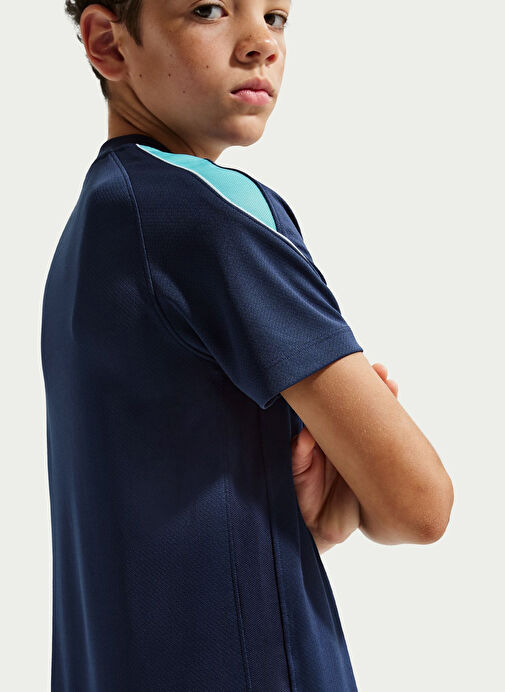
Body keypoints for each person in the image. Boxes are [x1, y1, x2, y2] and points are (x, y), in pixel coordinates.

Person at [41, 1, 454, 690]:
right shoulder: (208, 215)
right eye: (209, 10)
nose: (260, 43)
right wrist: (361, 483)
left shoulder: (93, 231)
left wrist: (317, 521)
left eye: (276, 16)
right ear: (108, 43)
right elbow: (420, 506)